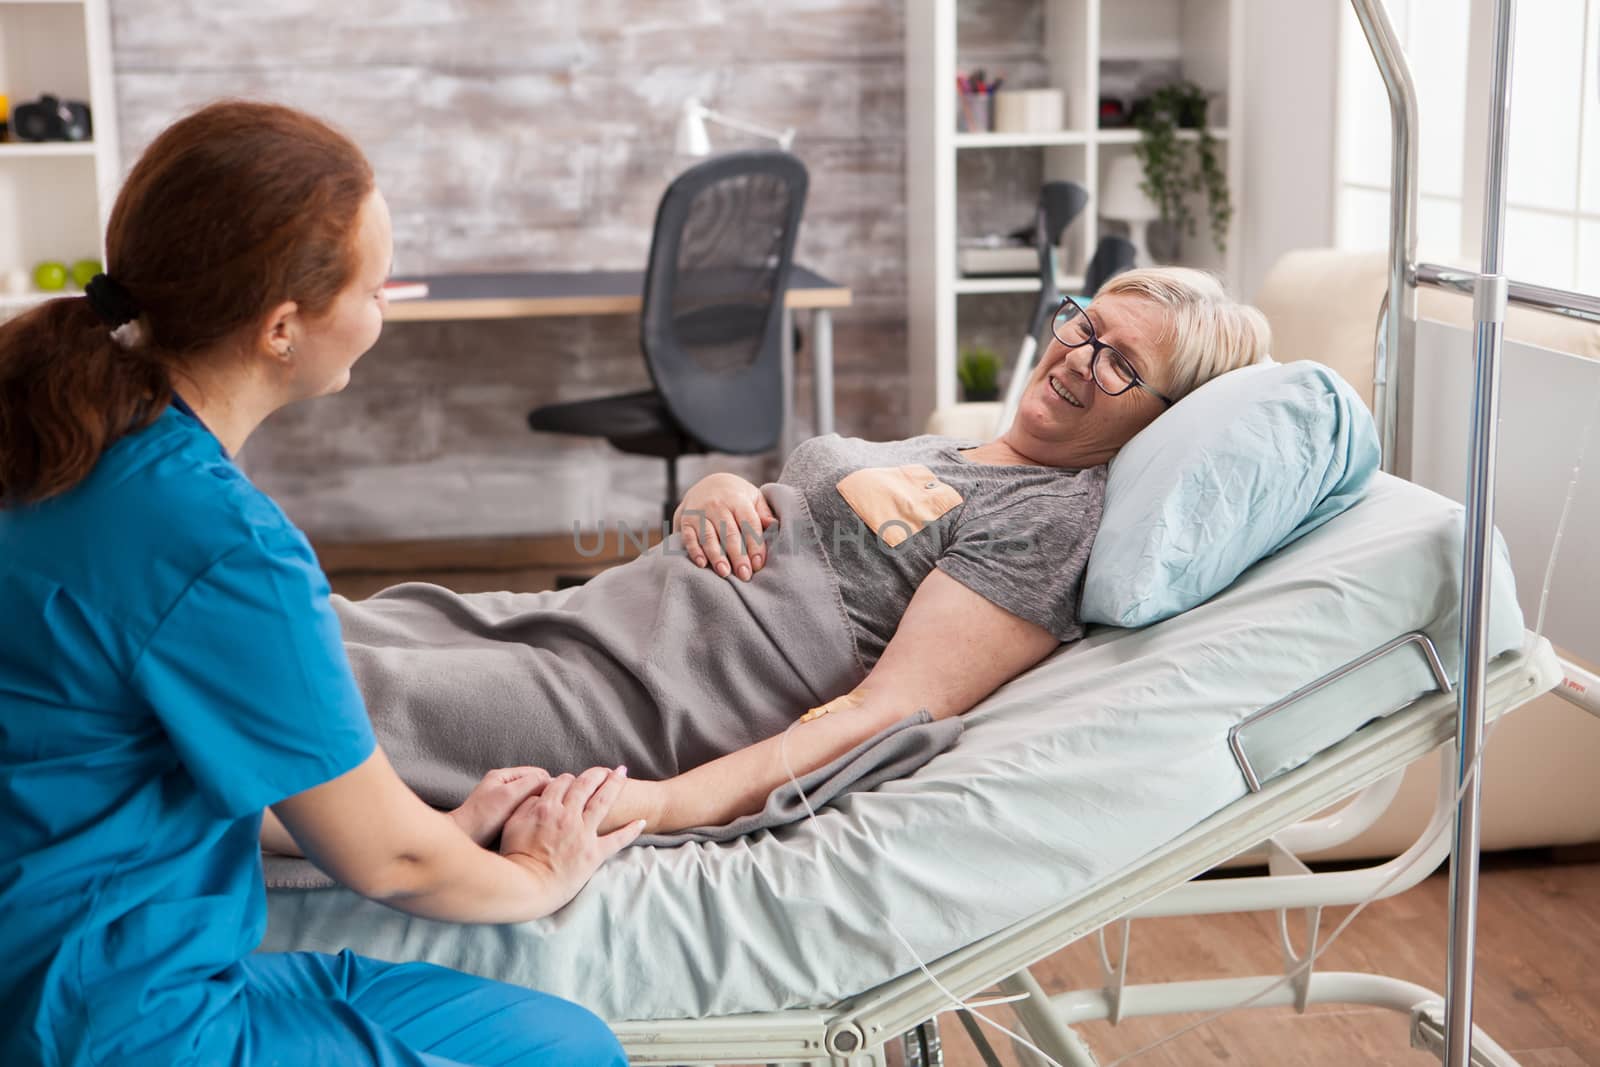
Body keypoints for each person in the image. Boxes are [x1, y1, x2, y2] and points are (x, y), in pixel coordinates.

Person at [0, 100, 639, 1067]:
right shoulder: (218, 542)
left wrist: (431, 821)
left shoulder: (58, 439)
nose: (386, 307)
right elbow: (390, 862)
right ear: (283, 326)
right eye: (379, 288)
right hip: (115, 1020)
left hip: (71, 963)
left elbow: (154, 756)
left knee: (566, 1040)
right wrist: (536, 876)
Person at [282, 267, 1271, 845]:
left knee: (350, 691)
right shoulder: (953, 445)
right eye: (1083, 326)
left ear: (1159, 418)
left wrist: (670, 800)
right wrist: (719, 490)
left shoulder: (1049, 521)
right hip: (611, 613)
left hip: (661, 692)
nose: (1075, 359)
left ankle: (132, 848)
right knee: (324, 619)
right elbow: (802, 506)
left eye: (1120, 365)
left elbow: (889, 707)